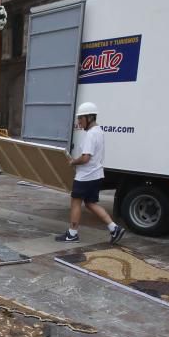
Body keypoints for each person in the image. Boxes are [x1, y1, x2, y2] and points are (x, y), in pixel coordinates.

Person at [55, 102, 126, 244]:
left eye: (80, 119)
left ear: (89, 117)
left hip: (85, 177)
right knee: (90, 203)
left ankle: (72, 234)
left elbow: (85, 157)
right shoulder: (99, 131)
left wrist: (72, 162)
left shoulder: (91, 135)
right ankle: (114, 228)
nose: (79, 122)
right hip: (96, 175)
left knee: (76, 203)